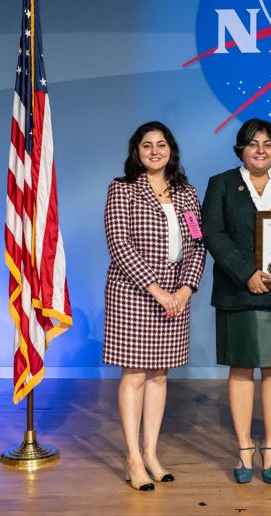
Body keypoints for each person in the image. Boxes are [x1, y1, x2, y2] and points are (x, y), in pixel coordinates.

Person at [202, 118, 271, 484]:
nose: (260, 150)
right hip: (236, 290)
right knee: (241, 368)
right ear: (241, 149)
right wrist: (245, 271)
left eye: (267, 143)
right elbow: (213, 235)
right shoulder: (221, 184)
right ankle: (245, 447)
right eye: (252, 143)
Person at [103, 121, 206, 491]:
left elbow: (198, 245)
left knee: (159, 375)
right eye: (147, 145)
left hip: (176, 298)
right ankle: (132, 458)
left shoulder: (188, 194)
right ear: (137, 151)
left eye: (161, 144)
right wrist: (158, 291)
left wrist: (185, 289)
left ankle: (151, 453)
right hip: (134, 296)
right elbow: (119, 245)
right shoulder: (122, 189)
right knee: (134, 375)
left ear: (171, 150)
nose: (154, 151)